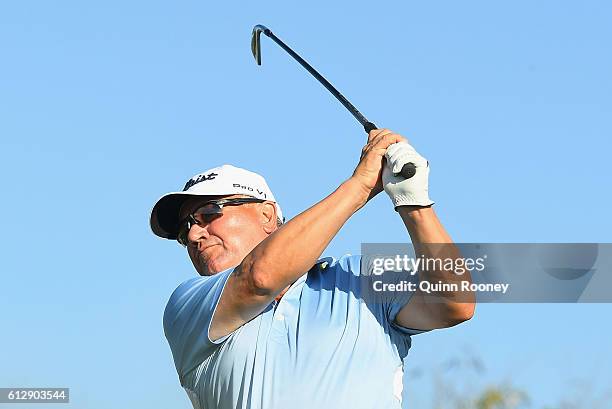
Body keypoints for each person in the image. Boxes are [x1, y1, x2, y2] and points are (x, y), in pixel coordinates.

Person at [150, 129, 475, 409]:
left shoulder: (358, 277)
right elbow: (258, 278)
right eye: (185, 230)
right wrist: (359, 186)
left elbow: (454, 304)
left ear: (266, 216)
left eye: (209, 213)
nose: (193, 234)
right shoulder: (188, 305)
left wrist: (413, 201)